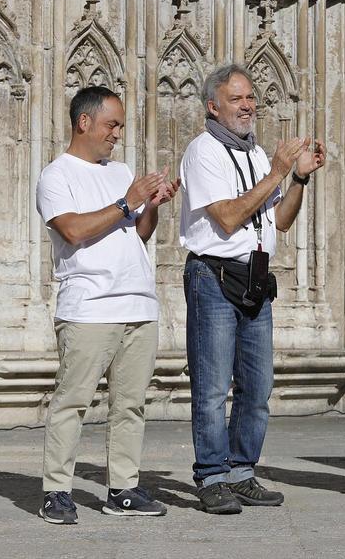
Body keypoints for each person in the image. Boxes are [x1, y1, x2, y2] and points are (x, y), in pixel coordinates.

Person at [178, 63, 324, 514]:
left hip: (256, 277)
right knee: (212, 384)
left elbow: (279, 219)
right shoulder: (203, 151)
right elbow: (226, 217)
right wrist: (279, 171)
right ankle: (212, 476)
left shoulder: (257, 154)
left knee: (257, 386)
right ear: (213, 106)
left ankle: (242, 472)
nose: (248, 106)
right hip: (213, 275)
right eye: (238, 98)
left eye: (252, 97)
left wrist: (297, 177)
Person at [35, 86, 179, 525]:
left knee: (130, 404)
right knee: (71, 402)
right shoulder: (56, 175)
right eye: (111, 124)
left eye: (119, 126)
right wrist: (128, 201)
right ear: (84, 122)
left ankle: (124, 488)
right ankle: (56, 491)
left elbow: (139, 233)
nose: (117, 133)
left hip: (137, 304)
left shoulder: (121, 172)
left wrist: (151, 205)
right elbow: (74, 231)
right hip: (89, 307)